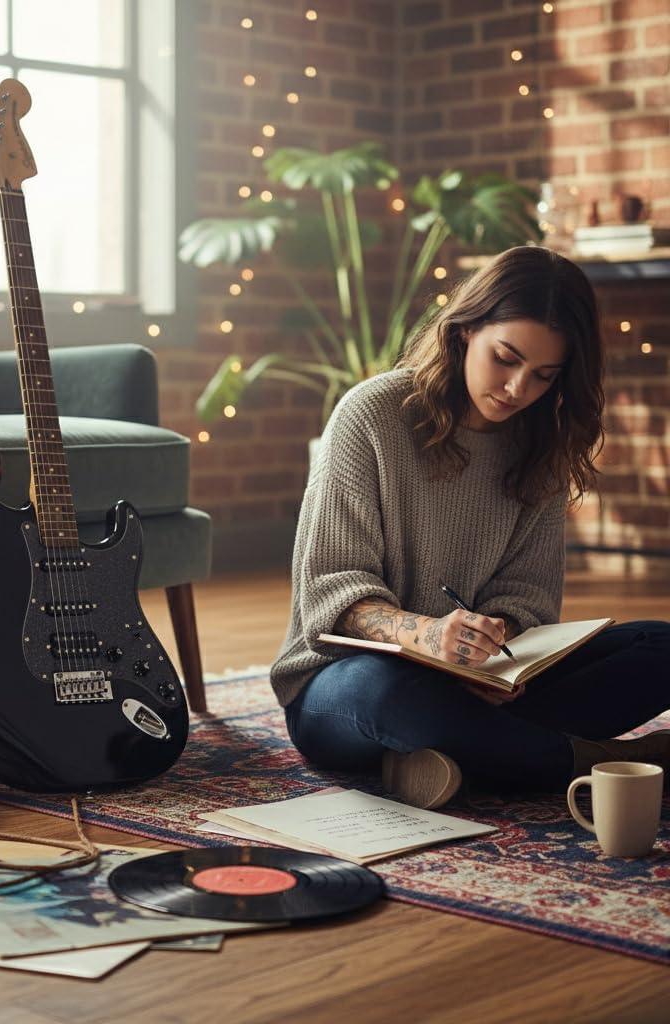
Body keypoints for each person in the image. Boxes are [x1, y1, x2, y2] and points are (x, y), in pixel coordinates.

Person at [270, 245, 670, 809]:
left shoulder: (542, 445)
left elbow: (528, 600)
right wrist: (428, 637)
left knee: (661, 644)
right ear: (464, 331)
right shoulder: (371, 415)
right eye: (505, 358)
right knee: (389, 694)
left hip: (480, 692)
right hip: (346, 687)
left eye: (543, 376)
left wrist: (491, 650)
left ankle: (443, 756)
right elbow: (331, 592)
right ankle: (591, 763)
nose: (517, 389)